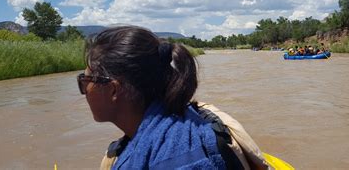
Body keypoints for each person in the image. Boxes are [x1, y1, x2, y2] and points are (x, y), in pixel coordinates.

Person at [78, 26, 267, 169]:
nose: (84, 89)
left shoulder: (177, 158)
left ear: (112, 90)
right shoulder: (174, 120)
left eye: (85, 80)